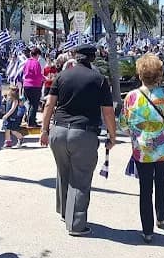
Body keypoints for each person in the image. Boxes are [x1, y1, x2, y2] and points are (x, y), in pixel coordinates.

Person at [39, 44, 116, 237]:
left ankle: (65, 211)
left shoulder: (62, 76)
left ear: (75, 56)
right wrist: (112, 135)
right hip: (83, 133)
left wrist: (44, 129)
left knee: (63, 172)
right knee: (80, 178)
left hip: (58, 131)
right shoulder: (99, 80)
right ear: (92, 58)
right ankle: (76, 224)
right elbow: (108, 111)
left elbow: (49, 103)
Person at [119, 54, 164, 243]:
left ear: (140, 74)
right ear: (159, 75)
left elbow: (123, 124)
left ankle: (147, 230)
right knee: (162, 181)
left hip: (142, 150)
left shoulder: (131, 97)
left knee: (145, 189)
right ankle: (161, 215)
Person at [22, 47, 44, 127]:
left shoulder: (26, 62)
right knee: (34, 104)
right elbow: (38, 75)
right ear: (37, 54)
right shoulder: (36, 63)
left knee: (29, 103)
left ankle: (29, 119)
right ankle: (32, 122)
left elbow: (24, 72)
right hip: (34, 85)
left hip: (26, 85)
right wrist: (45, 79)